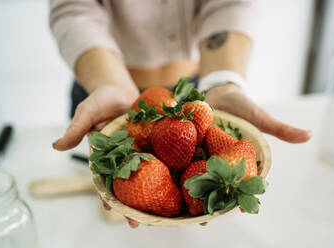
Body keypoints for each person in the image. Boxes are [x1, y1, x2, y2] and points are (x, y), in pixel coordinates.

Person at [50, 0, 311, 227]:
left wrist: (222, 81)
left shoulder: (198, 114)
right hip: (104, 85)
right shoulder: (188, 122)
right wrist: (111, 83)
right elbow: (73, 7)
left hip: (202, 85)